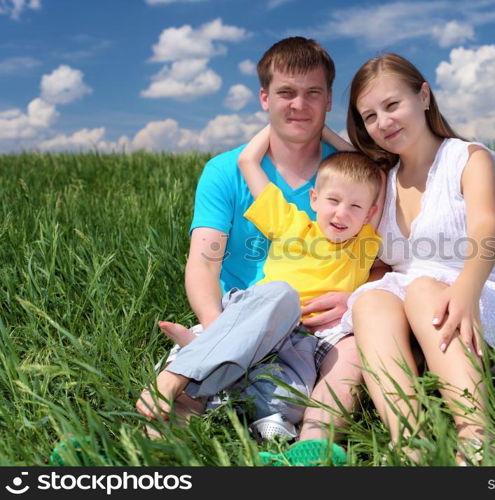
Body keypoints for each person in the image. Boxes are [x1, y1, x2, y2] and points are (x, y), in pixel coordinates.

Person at [135, 37, 377, 462]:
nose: (299, 105)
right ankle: (136, 459)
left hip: (316, 332)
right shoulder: (225, 171)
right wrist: (219, 331)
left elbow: (384, 264)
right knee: (193, 394)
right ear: (265, 97)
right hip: (239, 316)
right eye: (286, 92)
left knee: (355, 351)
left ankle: (312, 449)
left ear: (328, 100)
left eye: (312, 94)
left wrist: (353, 299)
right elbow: (204, 262)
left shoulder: (349, 180)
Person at [341, 53, 495, 464]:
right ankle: (410, 441)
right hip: (414, 312)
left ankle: (478, 437)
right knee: (370, 298)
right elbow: (385, 264)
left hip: (478, 295)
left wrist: (465, 291)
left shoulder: (468, 158)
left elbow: (485, 230)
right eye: (369, 116)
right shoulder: (383, 180)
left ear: (423, 96)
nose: (383, 123)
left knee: (424, 290)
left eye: (392, 105)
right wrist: (350, 295)